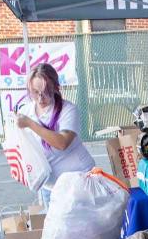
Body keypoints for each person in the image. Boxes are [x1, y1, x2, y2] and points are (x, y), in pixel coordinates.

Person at [15, 62, 95, 205]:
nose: (40, 98)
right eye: (35, 92)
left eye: (45, 92)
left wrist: (30, 124)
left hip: (79, 181)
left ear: (55, 88)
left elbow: (62, 143)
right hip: (49, 186)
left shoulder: (68, 110)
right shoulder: (26, 112)